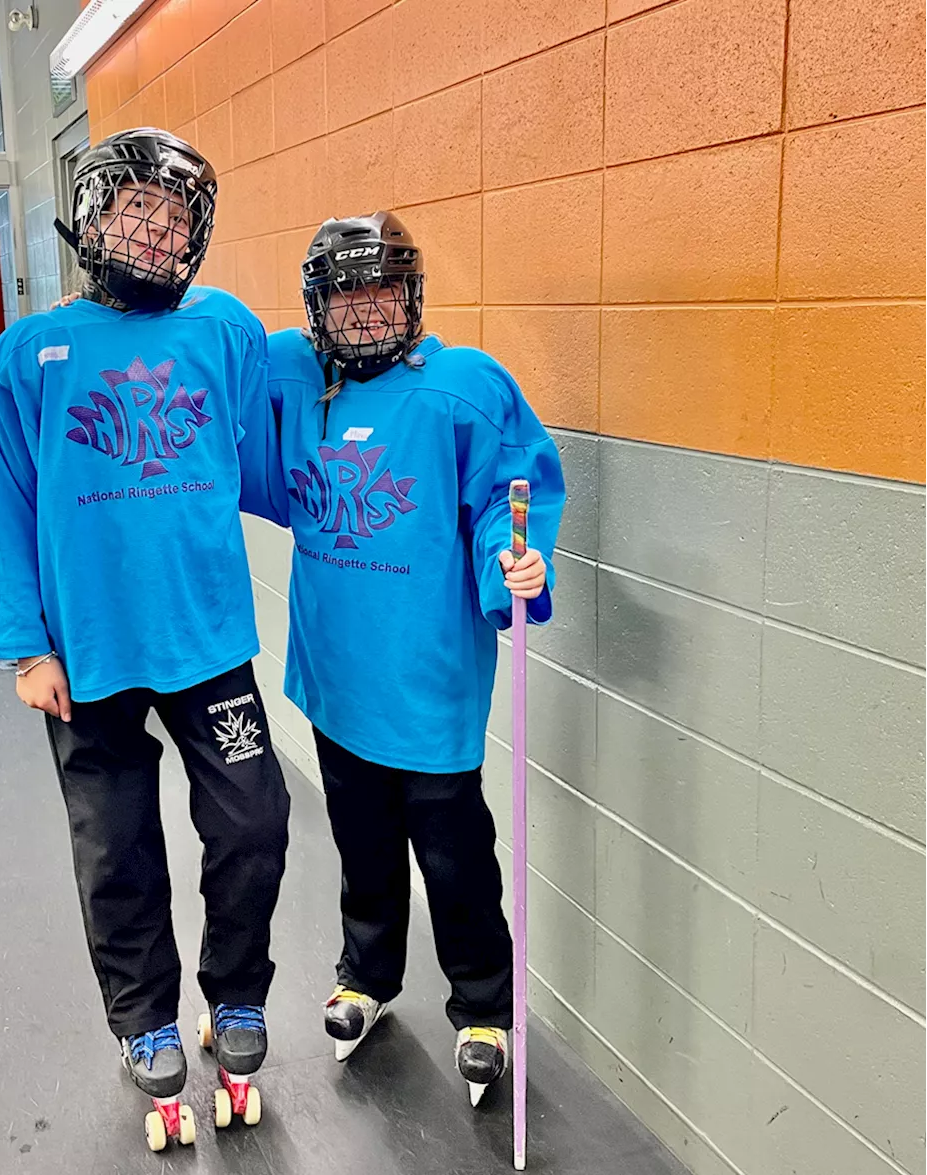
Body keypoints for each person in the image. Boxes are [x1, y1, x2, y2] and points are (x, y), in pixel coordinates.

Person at [0, 128, 290, 1149]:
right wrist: (26, 645)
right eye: (135, 210)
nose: (154, 231)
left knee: (251, 822)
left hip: (206, 636)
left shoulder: (226, 329)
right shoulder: (25, 357)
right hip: (86, 648)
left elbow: (253, 446)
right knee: (115, 846)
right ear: (95, 215)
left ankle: (234, 994)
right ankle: (143, 1017)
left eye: (174, 217)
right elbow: (4, 503)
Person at [261, 212, 565, 1105]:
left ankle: (482, 1004)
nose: (365, 310)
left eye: (382, 288)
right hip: (336, 674)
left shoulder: (462, 388)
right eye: (345, 292)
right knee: (361, 842)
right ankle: (367, 972)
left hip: (427, 680)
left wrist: (513, 563)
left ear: (412, 296)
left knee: (454, 852)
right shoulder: (299, 384)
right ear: (319, 305)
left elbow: (506, 501)